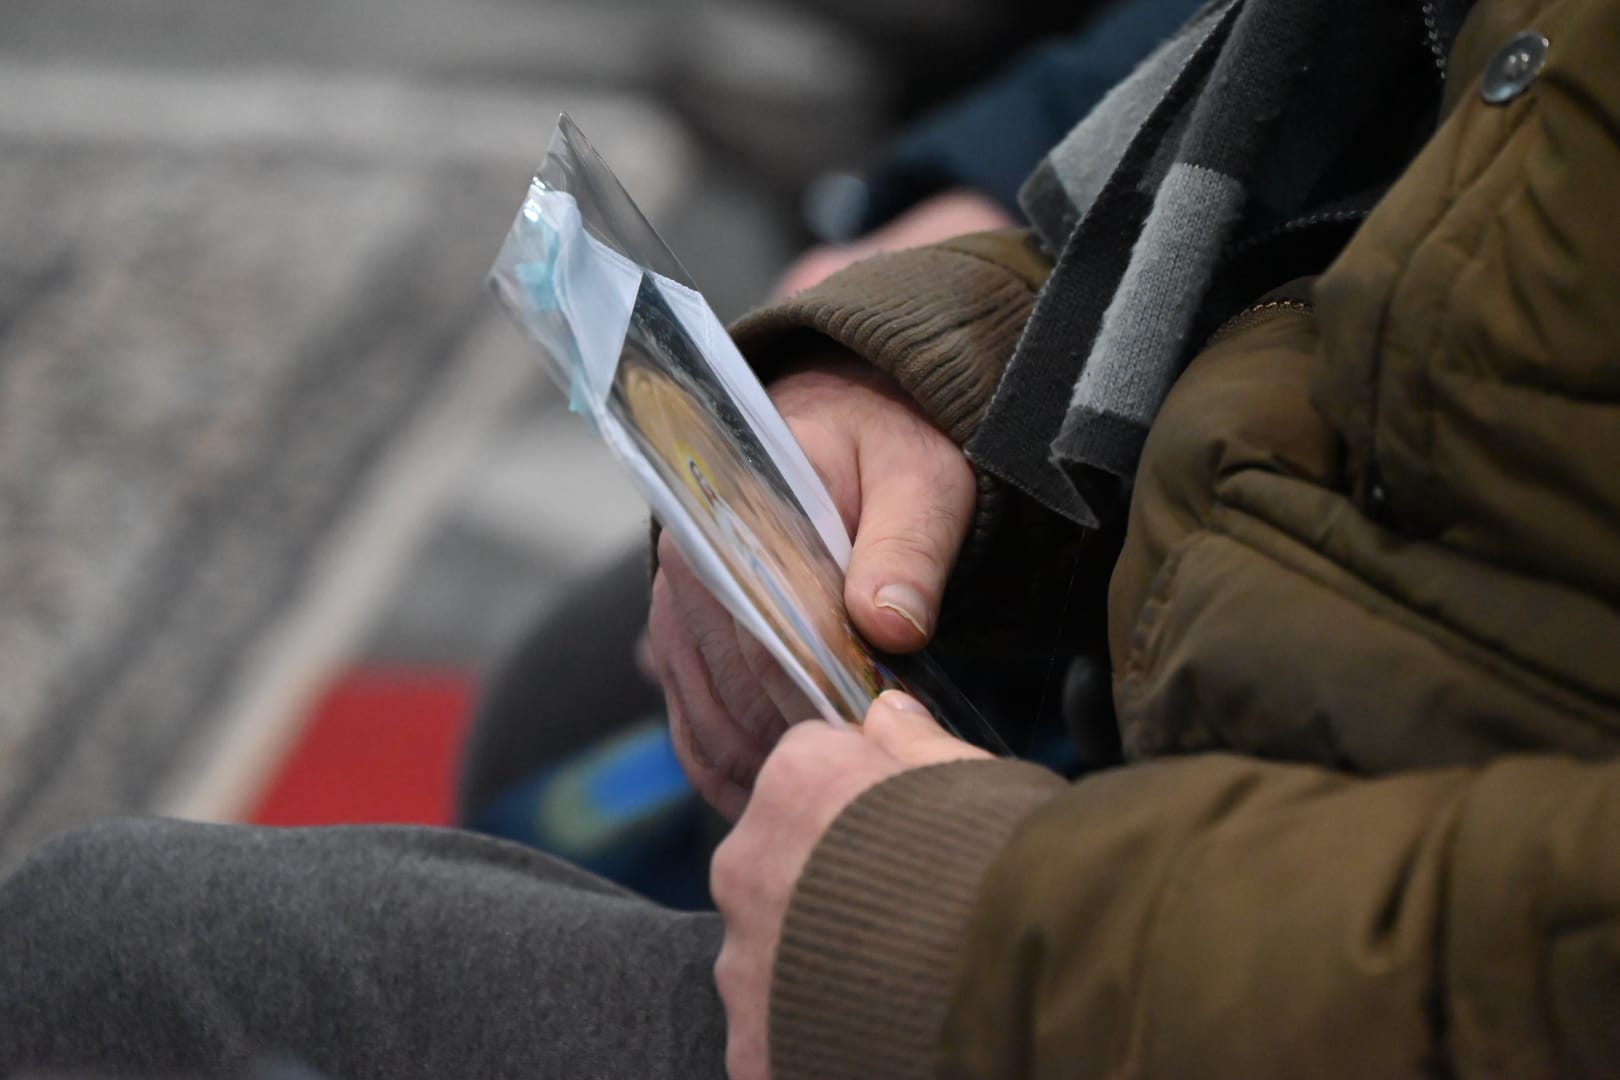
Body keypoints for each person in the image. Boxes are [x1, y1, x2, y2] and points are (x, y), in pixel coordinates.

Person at [6, 2, 1620, 1080]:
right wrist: (969, 350)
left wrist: (983, 945)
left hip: (1235, 966)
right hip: (1288, 732)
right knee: (585, 703)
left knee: (127, 970)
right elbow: (1418, 174)